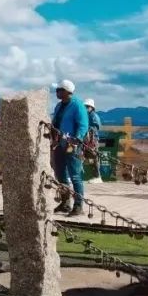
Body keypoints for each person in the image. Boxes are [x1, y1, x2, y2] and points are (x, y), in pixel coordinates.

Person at [51, 79, 89, 217]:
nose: (57, 92)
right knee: (60, 174)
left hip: (72, 145)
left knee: (75, 175)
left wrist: (77, 137)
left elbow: (83, 124)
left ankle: (78, 205)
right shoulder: (58, 106)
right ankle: (65, 202)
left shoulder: (77, 105)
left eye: (59, 90)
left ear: (67, 91)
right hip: (59, 144)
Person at [83, 99, 104, 184]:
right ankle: (94, 176)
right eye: (85, 106)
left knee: (93, 157)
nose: (86, 108)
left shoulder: (93, 116)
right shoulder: (87, 116)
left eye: (87, 106)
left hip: (92, 140)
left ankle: (97, 176)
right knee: (88, 157)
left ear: (92, 107)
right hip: (86, 140)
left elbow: (94, 128)